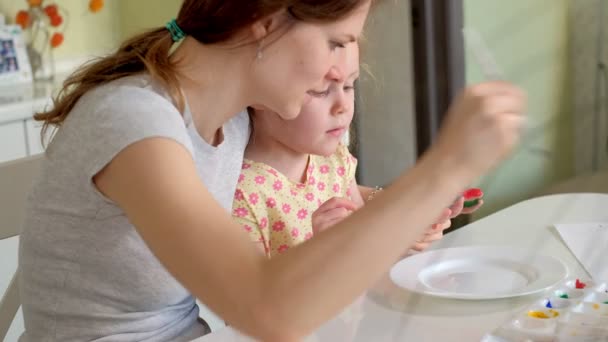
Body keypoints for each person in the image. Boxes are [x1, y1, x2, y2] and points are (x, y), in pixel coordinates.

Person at [19, 0, 526, 341]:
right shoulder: (135, 121)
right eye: (336, 41)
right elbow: (267, 307)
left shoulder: (234, 122)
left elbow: (312, 211)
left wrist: (392, 205)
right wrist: (446, 164)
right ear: (265, 21)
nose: (340, 71)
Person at [233, 43, 482, 257]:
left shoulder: (330, 158)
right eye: (321, 90)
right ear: (260, 93)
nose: (343, 106)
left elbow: (365, 235)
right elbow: (251, 309)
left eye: (349, 86)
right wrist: (318, 252)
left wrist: (410, 221)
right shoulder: (243, 195)